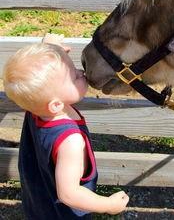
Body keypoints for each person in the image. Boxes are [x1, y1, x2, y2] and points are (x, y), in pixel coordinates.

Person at [3, 33, 129, 219]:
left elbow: (44, 82)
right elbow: (69, 194)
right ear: (55, 105)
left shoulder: (38, 106)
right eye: (74, 77)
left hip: (39, 197)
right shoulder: (70, 142)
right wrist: (108, 205)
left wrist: (52, 49)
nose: (80, 72)